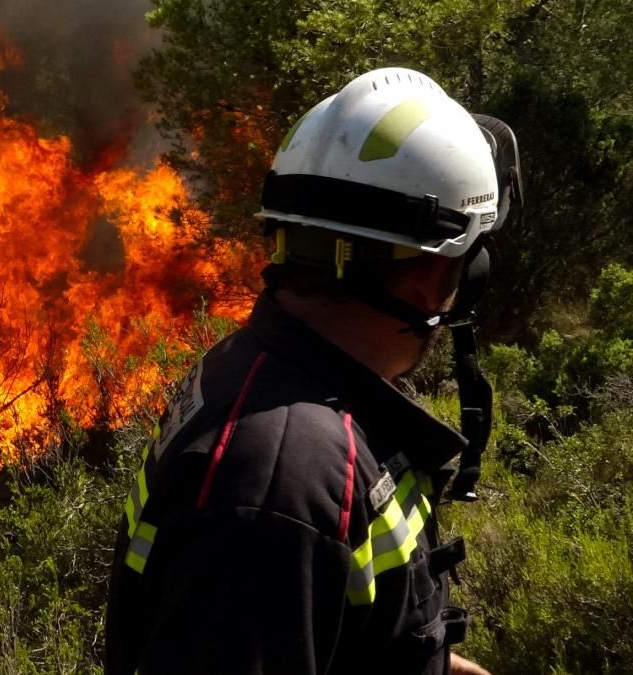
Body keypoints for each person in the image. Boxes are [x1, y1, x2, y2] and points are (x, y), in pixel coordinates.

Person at [105, 67, 522, 675]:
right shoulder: (278, 489)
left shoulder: (275, 381)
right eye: (470, 260)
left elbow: (340, 626)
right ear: (429, 277)